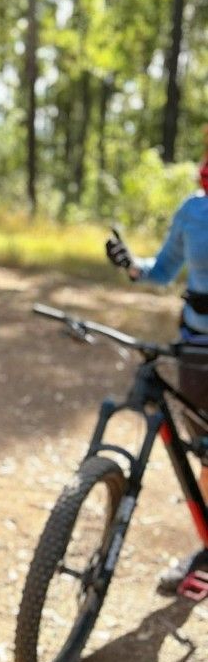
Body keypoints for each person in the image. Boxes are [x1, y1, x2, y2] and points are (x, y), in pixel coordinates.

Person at [105, 143, 208, 595]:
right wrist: (132, 265)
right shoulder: (193, 211)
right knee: (205, 450)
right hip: (196, 349)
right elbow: (165, 270)